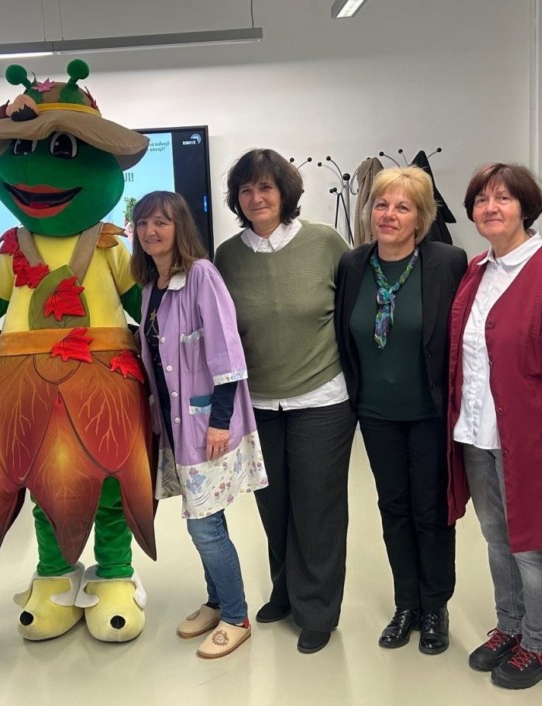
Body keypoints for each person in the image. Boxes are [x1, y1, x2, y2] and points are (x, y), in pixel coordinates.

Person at [446, 163, 542, 690]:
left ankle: (540, 643)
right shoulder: (477, 270)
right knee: (495, 537)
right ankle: (509, 627)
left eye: (503, 198)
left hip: (533, 436)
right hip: (477, 432)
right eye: (481, 200)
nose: (491, 208)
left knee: (531, 543)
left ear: (525, 207)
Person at [214, 148, 357, 654]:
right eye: (246, 189)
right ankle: (286, 592)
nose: (256, 197)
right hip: (258, 404)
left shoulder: (325, 243)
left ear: (285, 193)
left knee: (317, 509)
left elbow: (353, 312)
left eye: (266, 187)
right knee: (273, 507)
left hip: (321, 397)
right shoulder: (227, 257)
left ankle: (317, 609)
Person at [334, 167, 466, 656]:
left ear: (421, 217)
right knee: (393, 509)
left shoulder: (447, 262)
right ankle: (406, 603)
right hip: (376, 413)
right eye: (381, 205)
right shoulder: (353, 265)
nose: (388, 215)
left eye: (402, 207)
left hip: (429, 412)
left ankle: (435, 606)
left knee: (431, 511)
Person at [131, 191, 268, 659]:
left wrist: (220, 422)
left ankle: (236, 616)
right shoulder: (150, 286)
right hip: (174, 427)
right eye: (143, 223)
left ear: (180, 227)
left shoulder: (201, 275)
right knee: (204, 515)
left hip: (207, 424)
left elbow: (227, 351)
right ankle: (216, 602)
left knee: (204, 526)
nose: (151, 231)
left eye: (161, 222)